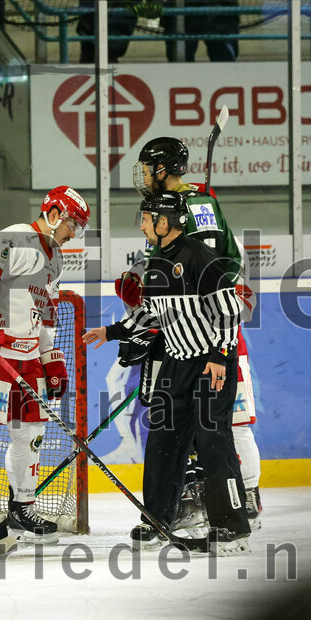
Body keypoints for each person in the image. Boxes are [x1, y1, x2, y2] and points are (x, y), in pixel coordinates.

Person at [83, 191, 251, 555]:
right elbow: (150, 315)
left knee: (212, 442)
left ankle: (232, 527)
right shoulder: (157, 261)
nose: (141, 225)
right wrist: (111, 332)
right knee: (162, 441)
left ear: (164, 222)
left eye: (146, 218)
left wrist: (221, 356)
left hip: (210, 362)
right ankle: (157, 519)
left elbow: (229, 310)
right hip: (176, 363)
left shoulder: (200, 258)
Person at [128, 136, 262, 529]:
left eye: (149, 167)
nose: (145, 175)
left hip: (196, 338)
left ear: (164, 169)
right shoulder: (206, 201)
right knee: (196, 427)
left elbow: (184, 271)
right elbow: (231, 261)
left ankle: (216, 505)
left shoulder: (172, 209)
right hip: (204, 329)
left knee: (204, 428)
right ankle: (235, 500)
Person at [0, 186, 90, 546]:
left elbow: (44, 314)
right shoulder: (14, 237)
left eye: (78, 227)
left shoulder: (57, 259)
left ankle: (23, 505)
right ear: (54, 213)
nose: (73, 233)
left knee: (31, 434)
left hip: (28, 357)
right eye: (71, 224)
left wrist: (50, 359)